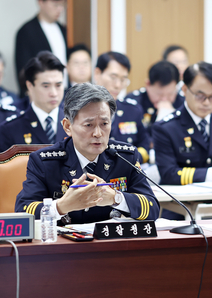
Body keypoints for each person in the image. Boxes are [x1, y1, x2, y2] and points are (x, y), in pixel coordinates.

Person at [15, 82, 159, 223]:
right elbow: (23, 210)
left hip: (111, 242)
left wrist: (116, 198)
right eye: (88, 125)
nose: (97, 133)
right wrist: (61, 207)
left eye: (104, 124)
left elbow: (152, 208)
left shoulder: (124, 156)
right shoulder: (45, 162)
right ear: (67, 126)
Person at [153, 62, 212, 185]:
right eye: (200, 96)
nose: (206, 103)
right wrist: (211, 174)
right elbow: (168, 173)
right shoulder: (166, 128)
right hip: (183, 201)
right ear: (184, 89)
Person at [0, 51, 66, 153]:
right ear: (30, 86)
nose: (54, 93)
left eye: (58, 85)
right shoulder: (10, 129)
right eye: (46, 86)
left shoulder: (75, 124)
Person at [94, 51, 150, 162]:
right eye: (113, 77)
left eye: (123, 79)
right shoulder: (82, 109)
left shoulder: (132, 110)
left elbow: (144, 144)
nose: (118, 85)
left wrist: (129, 160)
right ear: (97, 74)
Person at [15, 0, 67, 95]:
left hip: (62, 91)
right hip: (41, 93)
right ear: (41, 2)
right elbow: (23, 68)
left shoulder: (63, 29)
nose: (60, 9)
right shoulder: (26, 31)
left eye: (62, 5)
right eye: (55, 5)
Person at [130, 61, 185, 133]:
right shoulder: (133, 103)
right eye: (160, 94)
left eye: (170, 94)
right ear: (148, 84)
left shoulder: (184, 103)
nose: (164, 99)